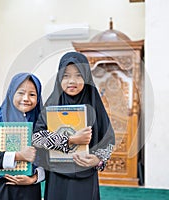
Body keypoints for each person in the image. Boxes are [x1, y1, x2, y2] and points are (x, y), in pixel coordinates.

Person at [32, 52, 115, 200]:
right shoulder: (52, 103)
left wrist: (98, 160)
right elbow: (37, 138)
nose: (72, 81)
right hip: (57, 176)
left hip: (86, 176)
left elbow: (108, 140)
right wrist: (69, 140)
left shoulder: (94, 103)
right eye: (66, 75)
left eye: (78, 75)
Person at [0, 73, 45, 200]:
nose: (25, 98)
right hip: (1, 189)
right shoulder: (0, 120)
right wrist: (18, 156)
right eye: (20, 93)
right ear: (11, 93)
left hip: (29, 191)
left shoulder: (40, 123)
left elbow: (49, 160)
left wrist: (34, 178)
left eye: (32, 94)